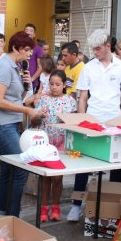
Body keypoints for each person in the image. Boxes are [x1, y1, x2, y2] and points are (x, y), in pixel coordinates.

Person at [68, 29, 121, 222]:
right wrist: (81, 123)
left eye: (97, 48)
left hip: (114, 121)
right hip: (92, 120)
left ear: (108, 46)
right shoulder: (88, 67)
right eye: (92, 48)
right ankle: (76, 204)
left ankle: (113, 206)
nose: (94, 52)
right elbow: (82, 97)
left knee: (116, 165)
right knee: (83, 164)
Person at [0, 32, 44, 217]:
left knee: (8, 168)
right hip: (2, 123)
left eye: (30, 50)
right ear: (15, 48)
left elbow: (15, 98)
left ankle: (1, 212)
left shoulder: (15, 65)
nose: (29, 54)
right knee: (21, 167)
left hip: (10, 122)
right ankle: (13, 216)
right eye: (26, 50)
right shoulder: (4, 66)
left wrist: (26, 86)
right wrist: (27, 111)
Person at [34, 70, 77, 222]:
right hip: (45, 141)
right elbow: (34, 123)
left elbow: (75, 123)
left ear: (64, 85)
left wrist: (67, 121)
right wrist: (39, 116)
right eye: (51, 84)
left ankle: (56, 207)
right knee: (45, 177)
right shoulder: (43, 100)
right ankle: (43, 208)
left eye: (58, 84)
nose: (54, 87)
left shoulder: (70, 101)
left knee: (58, 177)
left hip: (62, 143)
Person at [24, 23, 43, 90]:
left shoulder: (38, 49)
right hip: (19, 80)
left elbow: (40, 67)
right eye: (26, 30)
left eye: (31, 31)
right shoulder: (19, 47)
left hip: (32, 82)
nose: (28, 32)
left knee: (29, 100)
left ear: (34, 34)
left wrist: (31, 79)